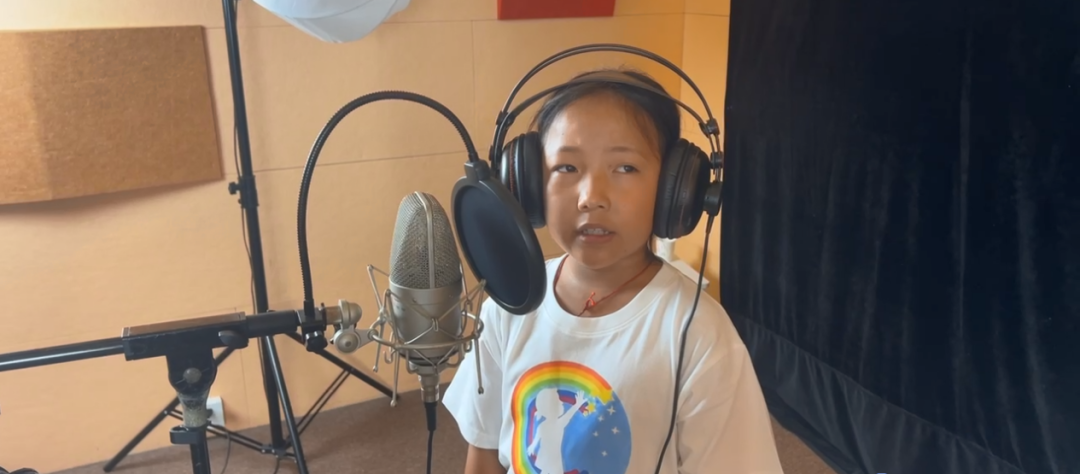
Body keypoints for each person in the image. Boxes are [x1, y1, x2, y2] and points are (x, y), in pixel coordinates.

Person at [441, 67, 784, 474]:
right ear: (527, 185)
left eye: (625, 168)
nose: (592, 197)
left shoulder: (699, 335)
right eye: (567, 168)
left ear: (676, 190)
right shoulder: (507, 306)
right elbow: (484, 451)